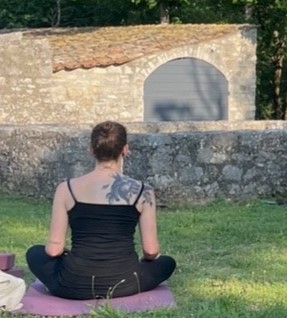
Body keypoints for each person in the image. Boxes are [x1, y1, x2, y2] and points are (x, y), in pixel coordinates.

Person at [25, 121, 176, 299]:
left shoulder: (66, 189)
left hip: (72, 284)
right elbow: (151, 251)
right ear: (125, 149)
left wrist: (64, 251)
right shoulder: (143, 191)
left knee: (34, 253)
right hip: (125, 282)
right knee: (167, 263)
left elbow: (53, 251)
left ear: (91, 150)